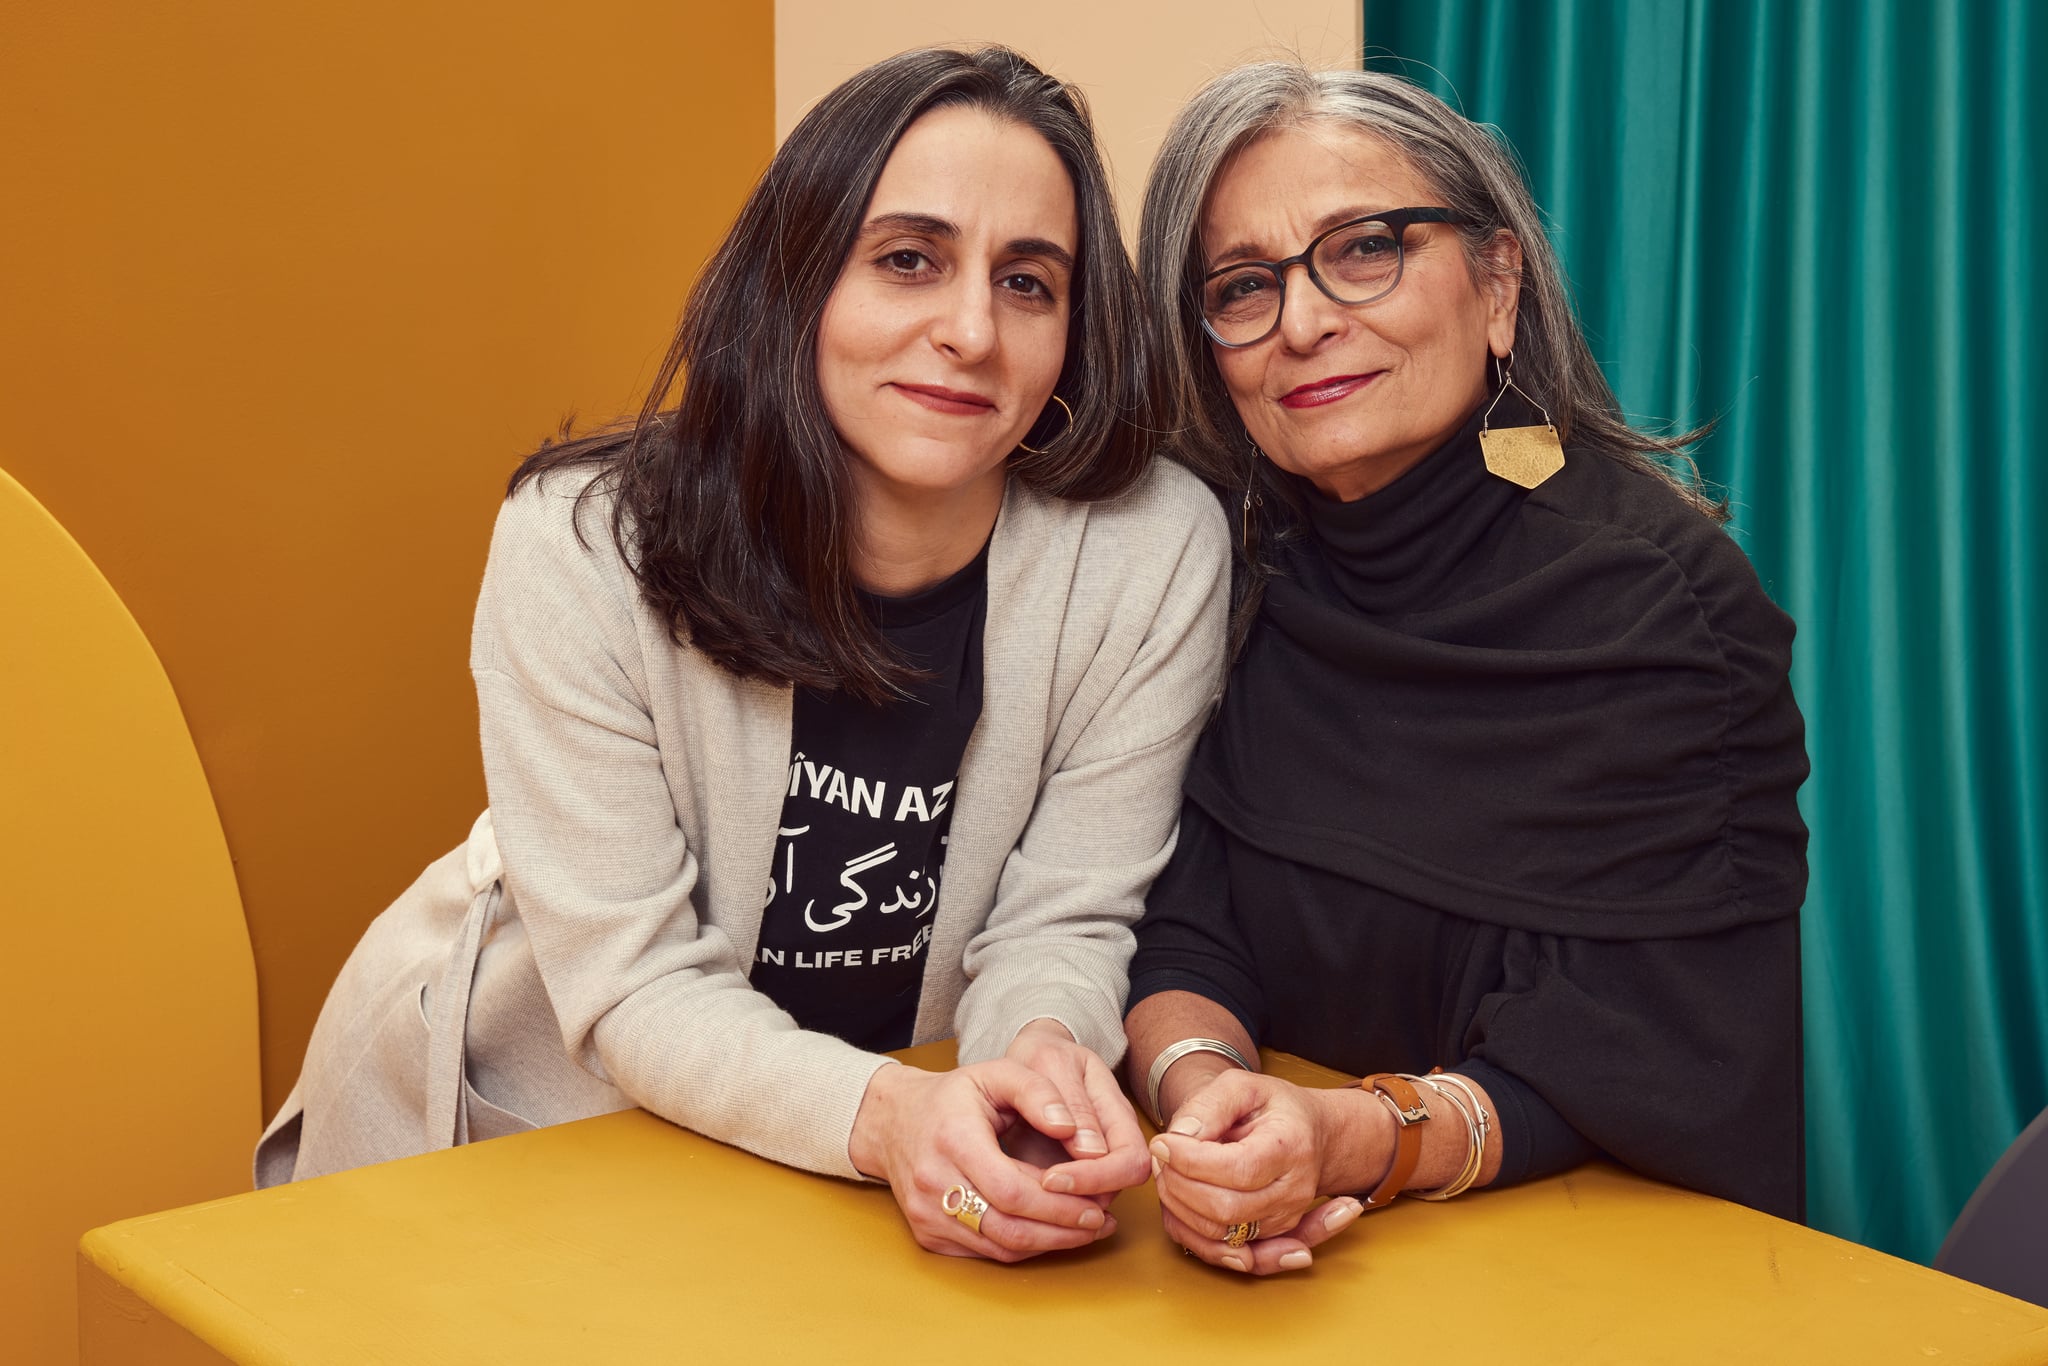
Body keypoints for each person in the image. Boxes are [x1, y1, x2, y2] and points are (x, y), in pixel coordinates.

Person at [257, 45, 1228, 1265]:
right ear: (797, 280)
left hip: (868, 1166)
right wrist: (889, 1120)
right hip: (539, 1121)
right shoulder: (581, 542)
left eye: (1028, 282)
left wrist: (1033, 1067)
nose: (970, 330)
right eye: (907, 260)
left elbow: (1065, 917)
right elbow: (633, 980)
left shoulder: (1151, 551)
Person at [1124, 62, 1810, 1275]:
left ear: (1497, 288)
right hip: (1271, 1258)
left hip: (1592, 1271)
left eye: (1364, 248)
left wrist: (1360, 1135)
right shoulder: (1219, 569)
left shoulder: (1667, 606)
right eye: (1242, 286)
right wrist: (1207, 1103)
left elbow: (1654, 1069)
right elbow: (1182, 931)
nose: (1302, 321)